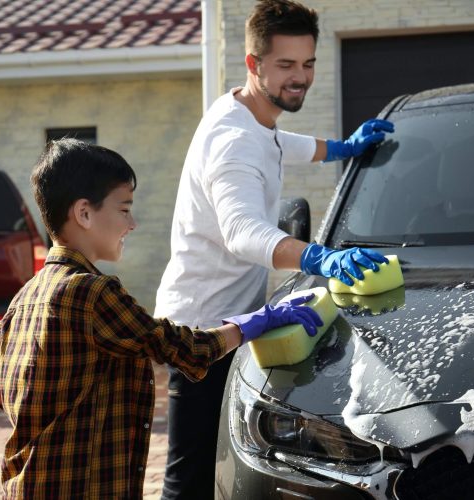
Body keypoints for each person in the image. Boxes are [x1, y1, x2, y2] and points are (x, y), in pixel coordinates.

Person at [0, 139, 324, 499]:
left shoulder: (26, 296)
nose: (132, 223)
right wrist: (253, 324)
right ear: (84, 213)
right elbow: (182, 348)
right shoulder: (90, 293)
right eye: (124, 209)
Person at [154, 0, 394, 497]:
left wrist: (342, 148)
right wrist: (319, 257)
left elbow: (287, 144)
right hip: (199, 331)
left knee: (220, 468)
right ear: (253, 64)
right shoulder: (233, 140)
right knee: (190, 478)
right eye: (285, 65)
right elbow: (242, 230)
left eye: (307, 63)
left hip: (232, 324)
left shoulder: (252, 116)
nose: (300, 77)